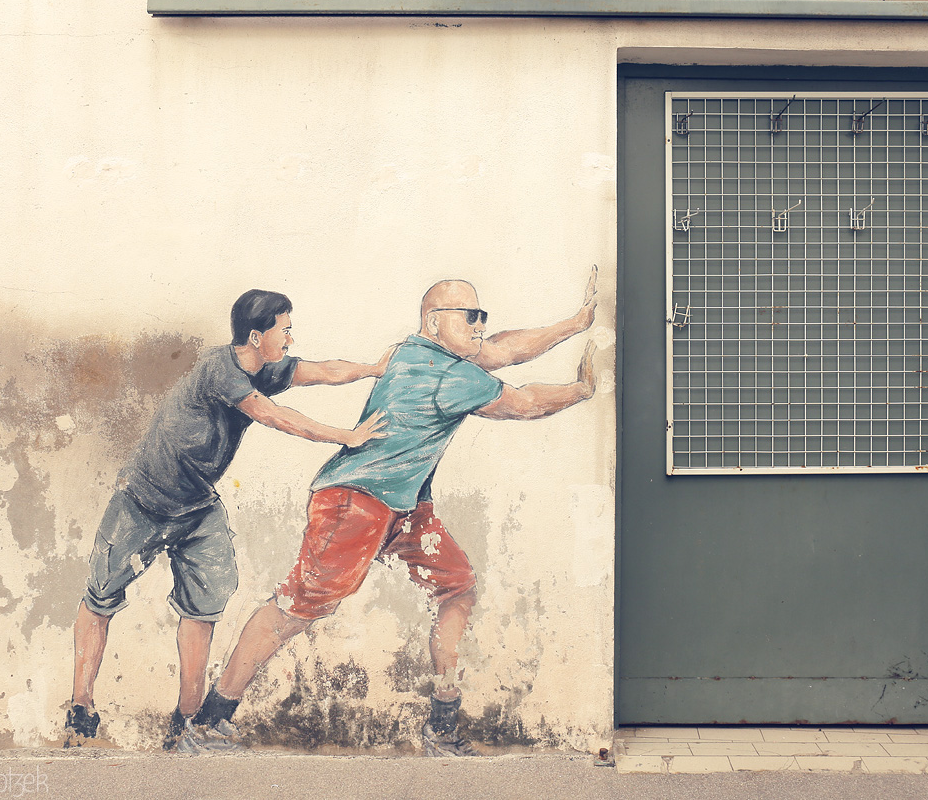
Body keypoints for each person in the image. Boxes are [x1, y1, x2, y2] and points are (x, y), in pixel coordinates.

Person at [189, 270, 598, 756]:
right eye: (470, 316)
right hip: (356, 503)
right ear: (433, 322)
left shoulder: (416, 349)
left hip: (404, 507)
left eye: (481, 316)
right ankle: (211, 721)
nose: (480, 325)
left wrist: (576, 323)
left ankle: (442, 727)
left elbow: (505, 349)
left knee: (457, 586)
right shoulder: (450, 376)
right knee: (296, 608)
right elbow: (525, 402)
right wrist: (582, 389)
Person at [65, 289, 390, 752]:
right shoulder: (222, 369)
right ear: (257, 336)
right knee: (101, 596)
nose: (292, 337)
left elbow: (320, 371)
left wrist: (373, 370)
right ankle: (80, 709)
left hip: (197, 506)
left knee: (205, 606)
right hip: (142, 499)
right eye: (286, 329)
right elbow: (273, 416)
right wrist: (346, 436)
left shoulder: (265, 366)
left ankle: (187, 722)